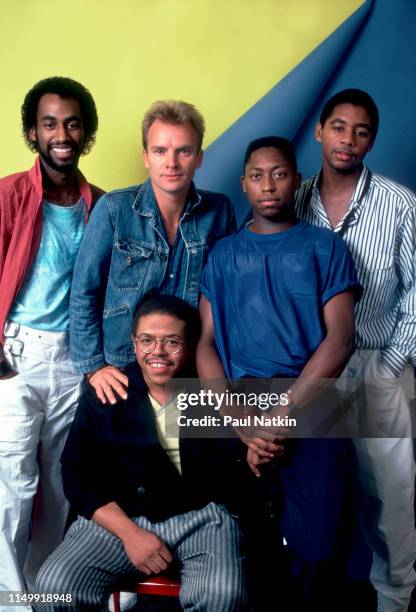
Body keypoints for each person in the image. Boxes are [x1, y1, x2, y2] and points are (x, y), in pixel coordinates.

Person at [197, 136, 362, 610]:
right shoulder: (224, 255)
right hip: (242, 408)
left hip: (310, 402)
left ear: (296, 180)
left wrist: (281, 415)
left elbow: (341, 339)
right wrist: (240, 421)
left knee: (319, 545)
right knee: (246, 545)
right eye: (256, 176)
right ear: (244, 185)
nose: (268, 185)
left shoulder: (324, 247)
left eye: (280, 174)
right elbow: (206, 346)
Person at [35, 295, 246, 611]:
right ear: (133, 344)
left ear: (188, 346)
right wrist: (131, 534)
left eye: (171, 341)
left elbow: (235, 470)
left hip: (200, 518)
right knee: (52, 590)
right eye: (147, 340)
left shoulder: (209, 391)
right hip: (120, 517)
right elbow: (77, 475)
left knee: (222, 595)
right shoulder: (107, 390)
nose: (157, 351)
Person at [295, 88, 416, 612]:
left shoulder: (399, 203)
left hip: (374, 361)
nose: (348, 140)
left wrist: (388, 367)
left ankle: (395, 599)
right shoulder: (292, 198)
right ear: (320, 131)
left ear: (372, 140)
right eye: (339, 127)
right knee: (309, 495)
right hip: (309, 368)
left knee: (390, 498)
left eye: (361, 131)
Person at [0, 76, 102, 596]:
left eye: (71, 123)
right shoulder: (9, 195)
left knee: (59, 487)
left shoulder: (99, 204)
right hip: (15, 355)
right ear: (32, 133)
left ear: (84, 132)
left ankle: (45, 596)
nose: (60, 133)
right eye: (48, 124)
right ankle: (10, 601)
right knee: (13, 487)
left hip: (73, 359)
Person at [69, 99, 236, 406]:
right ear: (146, 157)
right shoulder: (115, 209)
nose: (171, 162)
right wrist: (93, 367)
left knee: (184, 453)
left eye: (183, 151)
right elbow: (84, 292)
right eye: (160, 151)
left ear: (199, 157)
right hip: (120, 369)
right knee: (119, 453)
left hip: (191, 369)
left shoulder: (219, 211)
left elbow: (226, 295)